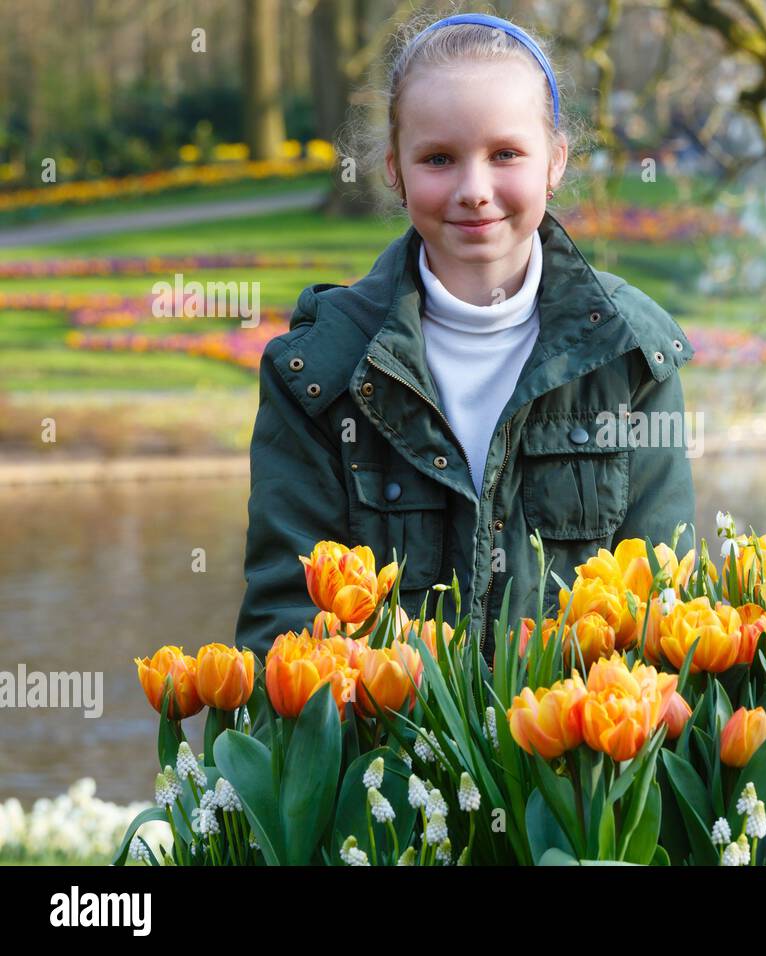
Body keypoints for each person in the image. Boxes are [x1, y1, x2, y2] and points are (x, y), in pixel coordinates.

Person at [234, 12, 697, 662]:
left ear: (554, 161)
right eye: (439, 159)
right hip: (385, 760)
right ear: (393, 169)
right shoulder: (316, 371)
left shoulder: (630, 357)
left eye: (505, 154)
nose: (474, 190)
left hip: (579, 756)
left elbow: (663, 619)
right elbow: (283, 633)